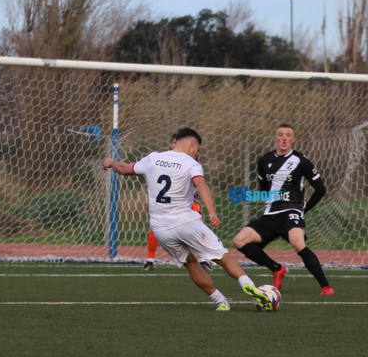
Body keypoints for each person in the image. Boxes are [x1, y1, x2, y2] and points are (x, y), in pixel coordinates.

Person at [103, 127, 271, 311]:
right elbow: (201, 186)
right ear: (193, 143)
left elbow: (126, 169)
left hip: (161, 228)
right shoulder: (191, 163)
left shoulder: (153, 158)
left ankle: (220, 301)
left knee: (191, 263)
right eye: (197, 149)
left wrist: (111, 162)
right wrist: (212, 212)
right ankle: (249, 285)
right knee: (223, 256)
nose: (196, 153)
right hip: (185, 221)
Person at [233, 123, 334, 296]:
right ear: (275, 138)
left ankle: (326, 287)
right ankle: (277, 269)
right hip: (271, 214)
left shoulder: (301, 161)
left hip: (291, 212)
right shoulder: (264, 160)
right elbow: (264, 189)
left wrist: (303, 210)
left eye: (288, 135)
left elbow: (321, 189)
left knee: (297, 243)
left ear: (293, 140)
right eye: (280, 135)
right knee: (239, 241)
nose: (284, 138)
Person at [143, 134, 212, 272]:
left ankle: (204, 259)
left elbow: (198, 182)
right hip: (169, 203)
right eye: (173, 142)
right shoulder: (162, 160)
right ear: (171, 145)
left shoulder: (193, 162)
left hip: (188, 202)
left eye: (177, 142)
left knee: (200, 226)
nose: (175, 145)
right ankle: (150, 260)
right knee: (155, 229)